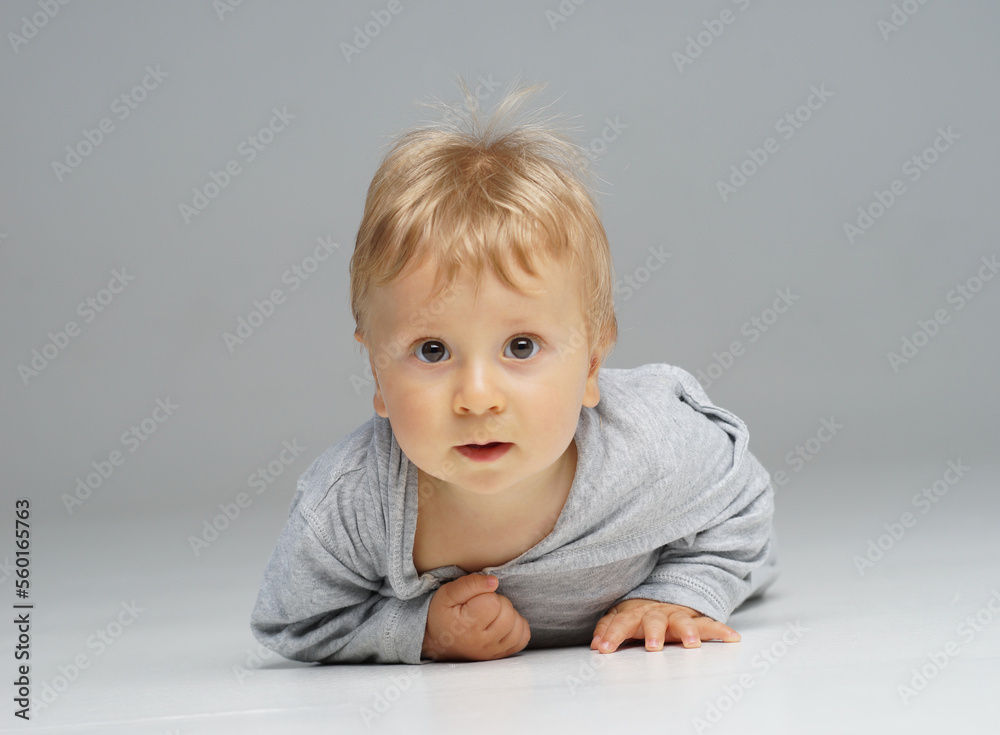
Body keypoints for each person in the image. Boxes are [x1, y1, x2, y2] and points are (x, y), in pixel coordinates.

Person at [250, 79, 778, 665]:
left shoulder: (649, 449)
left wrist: (679, 594)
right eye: (432, 351)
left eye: (521, 346)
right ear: (376, 372)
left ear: (592, 365)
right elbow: (291, 621)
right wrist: (417, 631)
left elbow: (745, 500)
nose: (477, 398)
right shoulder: (354, 505)